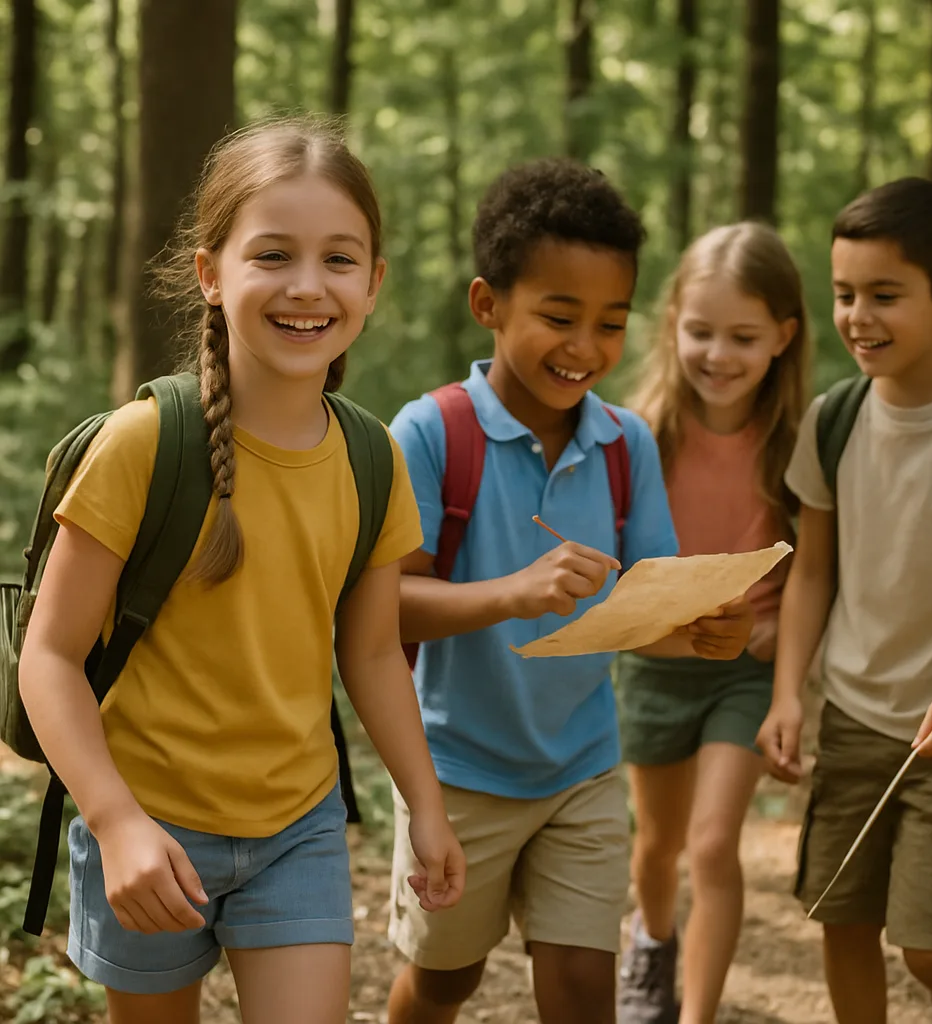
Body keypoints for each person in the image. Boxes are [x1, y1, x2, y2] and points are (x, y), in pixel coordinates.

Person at [18, 115, 464, 1024]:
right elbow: (50, 656)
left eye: (340, 259)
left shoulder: (374, 459)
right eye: (273, 255)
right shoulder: (145, 443)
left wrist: (425, 803)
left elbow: (373, 655)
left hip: (297, 826)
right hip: (146, 821)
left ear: (374, 283)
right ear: (210, 273)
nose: (308, 286)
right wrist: (114, 821)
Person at [385, 158, 754, 1024]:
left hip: (582, 770)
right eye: (559, 316)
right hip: (456, 772)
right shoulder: (430, 432)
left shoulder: (627, 447)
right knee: (445, 982)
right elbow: (386, 606)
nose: (585, 347)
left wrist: (701, 633)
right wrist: (510, 592)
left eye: (612, 323)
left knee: (585, 990)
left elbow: (641, 616)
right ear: (489, 305)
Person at [758, 177, 932, 1024]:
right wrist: (787, 694)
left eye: (884, 295)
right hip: (854, 721)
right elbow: (811, 573)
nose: (857, 316)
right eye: (843, 294)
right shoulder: (832, 421)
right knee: (841, 916)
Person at [615, 222, 808, 1024]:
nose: (718, 355)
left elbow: (809, 569)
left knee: (711, 843)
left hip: (746, 667)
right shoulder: (639, 431)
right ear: (672, 328)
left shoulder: (795, 442)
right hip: (656, 664)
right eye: (701, 332)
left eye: (743, 336)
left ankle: (697, 1014)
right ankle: (650, 942)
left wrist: (786, 661)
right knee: (657, 846)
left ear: (783, 338)